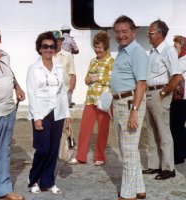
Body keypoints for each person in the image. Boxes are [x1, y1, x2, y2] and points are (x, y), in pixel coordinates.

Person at [26, 31, 70, 195]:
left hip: (57, 113)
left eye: (52, 46)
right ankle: (33, 180)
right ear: (39, 48)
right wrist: (37, 117)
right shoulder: (33, 69)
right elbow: (32, 94)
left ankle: (48, 182)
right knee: (42, 149)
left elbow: (63, 92)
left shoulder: (59, 67)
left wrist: (67, 115)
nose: (48, 49)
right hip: (42, 114)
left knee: (53, 150)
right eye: (45, 46)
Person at [110, 16, 149, 200]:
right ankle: (139, 189)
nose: (120, 35)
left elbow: (141, 84)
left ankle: (127, 195)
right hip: (120, 103)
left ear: (133, 32)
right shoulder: (122, 50)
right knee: (130, 149)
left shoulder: (137, 52)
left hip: (130, 104)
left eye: (124, 31)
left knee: (128, 152)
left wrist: (134, 110)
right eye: (117, 32)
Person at [0, 24, 25, 200]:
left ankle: (4, 189)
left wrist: (17, 86)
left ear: (0, 38)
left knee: (4, 151)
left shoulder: (5, 55)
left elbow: (9, 74)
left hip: (8, 110)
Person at [143, 19, 182, 180]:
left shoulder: (168, 51)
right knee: (151, 130)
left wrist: (165, 92)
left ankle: (168, 168)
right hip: (149, 93)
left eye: (150, 33)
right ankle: (154, 165)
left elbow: (177, 75)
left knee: (163, 131)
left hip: (160, 93)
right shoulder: (152, 52)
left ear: (159, 33)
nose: (148, 36)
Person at [69, 31, 114, 166]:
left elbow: (112, 80)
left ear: (105, 47)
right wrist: (88, 79)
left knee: (102, 130)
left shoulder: (111, 61)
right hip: (90, 99)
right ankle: (80, 156)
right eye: (95, 46)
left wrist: (97, 78)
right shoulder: (93, 61)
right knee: (84, 129)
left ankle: (100, 156)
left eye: (100, 47)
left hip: (104, 100)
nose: (97, 50)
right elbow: (87, 78)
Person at [170, 35, 186, 164]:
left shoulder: (183, 60)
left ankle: (179, 156)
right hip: (179, 98)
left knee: (176, 126)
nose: (174, 48)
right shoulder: (180, 59)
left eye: (176, 46)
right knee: (178, 126)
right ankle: (182, 152)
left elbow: (175, 73)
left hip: (181, 99)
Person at [52, 30, 76, 107]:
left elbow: (73, 75)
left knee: (64, 118)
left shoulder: (68, 55)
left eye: (58, 40)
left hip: (64, 93)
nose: (56, 43)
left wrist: (70, 92)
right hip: (50, 94)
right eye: (54, 41)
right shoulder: (47, 56)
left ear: (61, 41)